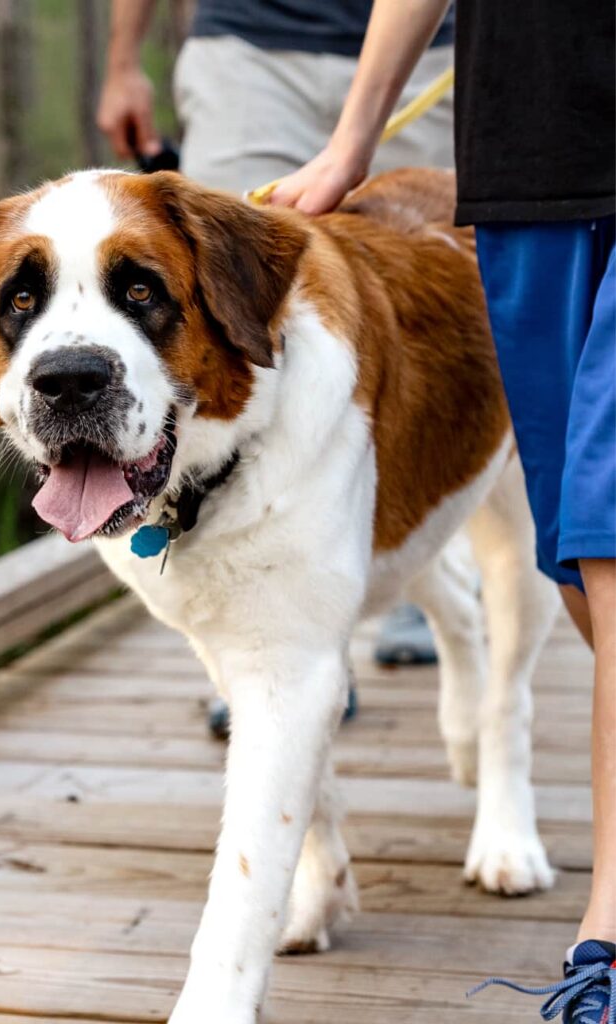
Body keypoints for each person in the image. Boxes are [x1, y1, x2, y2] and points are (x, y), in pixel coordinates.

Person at [270, 1, 615, 1020]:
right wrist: (352, 138)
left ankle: (607, 921)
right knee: (577, 570)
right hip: (526, 168)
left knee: (609, 541)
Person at [97, 1, 456, 736]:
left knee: (420, 329)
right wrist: (123, 60)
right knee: (241, 334)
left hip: (431, 40)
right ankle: (278, 652)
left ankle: (411, 583)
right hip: (249, 46)